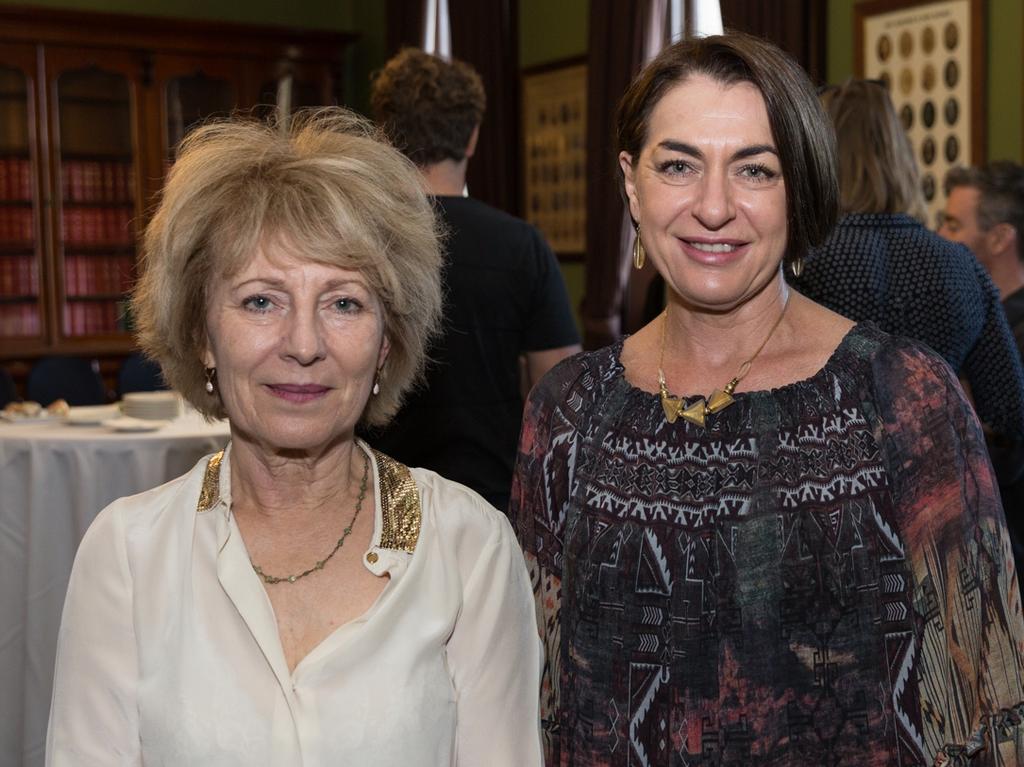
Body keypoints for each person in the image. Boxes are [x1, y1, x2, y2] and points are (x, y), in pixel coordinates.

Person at [511, 34, 1024, 766]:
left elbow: (992, 702)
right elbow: (537, 687)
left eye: (754, 169)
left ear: (802, 186)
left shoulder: (904, 398)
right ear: (632, 183)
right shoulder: (567, 409)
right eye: (679, 164)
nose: (713, 207)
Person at [46, 109, 542, 766]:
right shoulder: (127, 557)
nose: (304, 345)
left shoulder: (470, 549)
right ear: (202, 334)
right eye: (261, 300)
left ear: (387, 340)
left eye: (343, 303)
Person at [367, 48, 581, 511]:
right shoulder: (521, 245)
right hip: (492, 497)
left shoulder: (360, 240)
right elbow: (561, 393)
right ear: (472, 138)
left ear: (385, 136)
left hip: (379, 496)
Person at [790, 80, 1024, 468]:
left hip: (825, 484)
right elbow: (1009, 414)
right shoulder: (962, 265)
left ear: (818, 157)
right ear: (901, 156)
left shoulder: (799, 262)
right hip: (935, 491)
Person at [941, 161, 1024, 357]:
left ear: (1000, 238)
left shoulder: (1012, 339)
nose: (939, 234)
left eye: (953, 227)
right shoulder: (972, 318)